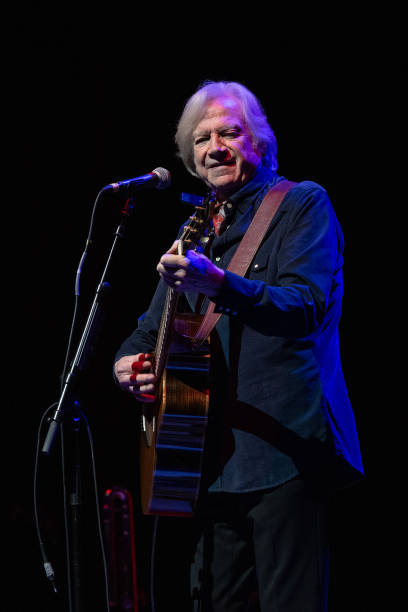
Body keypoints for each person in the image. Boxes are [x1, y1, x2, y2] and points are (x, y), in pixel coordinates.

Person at [113, 81, 364, 611]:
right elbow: (145, 328)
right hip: (207, 458)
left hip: (285, 451)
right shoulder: (197, 229)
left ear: (260, 144)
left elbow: (304, 306)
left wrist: (220, 284)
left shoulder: (299, 203)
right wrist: (127, 364)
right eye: (201, 139)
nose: (214, 147)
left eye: (230, 132)